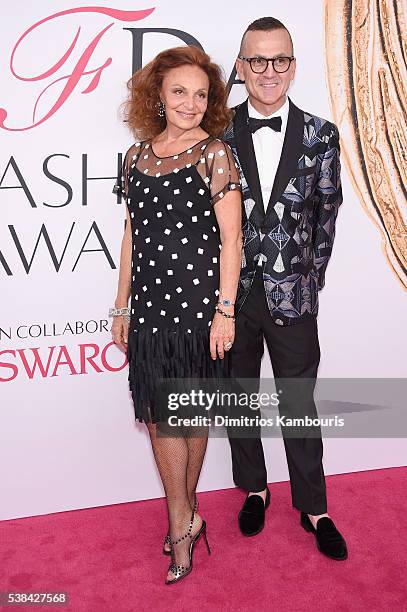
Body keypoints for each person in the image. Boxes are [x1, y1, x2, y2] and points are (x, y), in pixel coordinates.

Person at [111, 46, 242, 584]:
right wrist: (121, 305)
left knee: (189, 415)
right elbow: (130, 237)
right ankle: (184, 516)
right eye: (179, 92)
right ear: (158, 98)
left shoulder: (215, 153)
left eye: (201, 94)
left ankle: (181, 520)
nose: (191, 103)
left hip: (200, 309)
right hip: (150, 310)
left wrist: (225, 311)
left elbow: (232, 239)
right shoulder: (135, 157)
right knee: (165, 418)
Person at [223, 17, 348, 560]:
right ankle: (254, 490)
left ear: (292, 66)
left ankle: (314, 507)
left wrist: (307, 277)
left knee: (299, 404)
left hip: (294, 295)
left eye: (279, 60)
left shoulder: (321, 133)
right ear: (241, 66)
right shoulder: (219, 133)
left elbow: (327, 215)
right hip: (231, 297)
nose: (268, 71)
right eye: (256, 60)